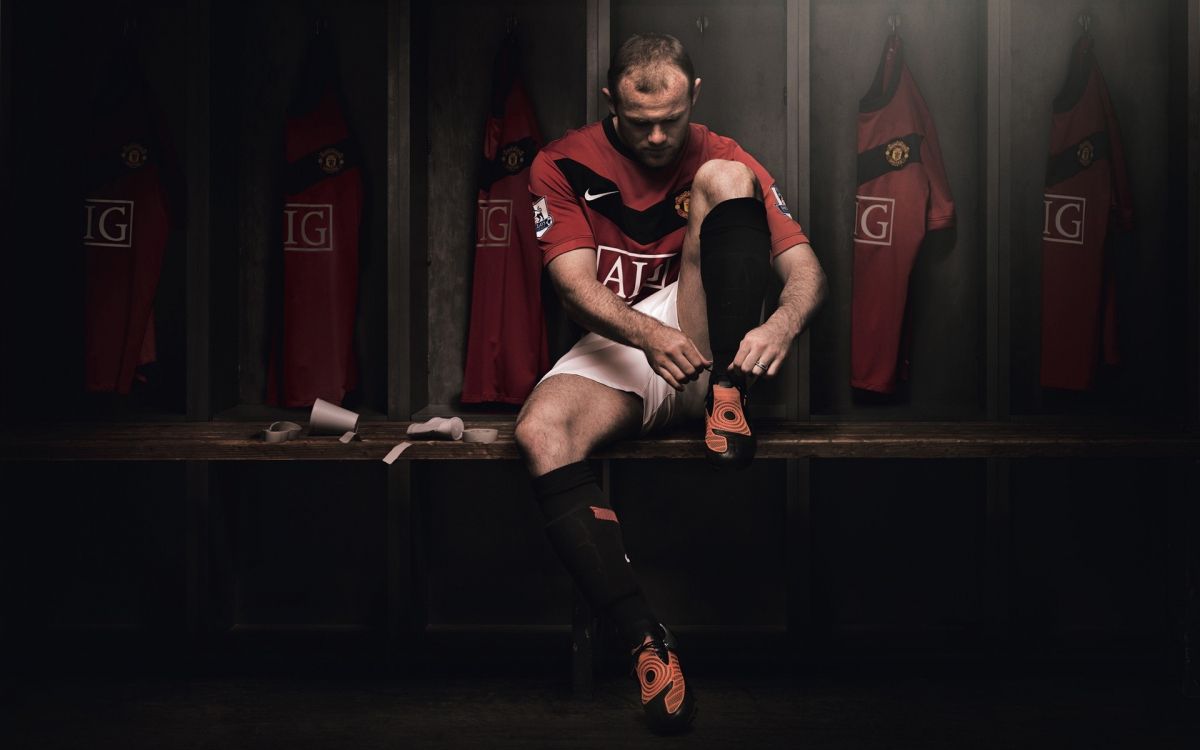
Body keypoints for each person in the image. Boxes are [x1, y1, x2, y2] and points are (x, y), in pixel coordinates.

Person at [514, 33, 827, 734]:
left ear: (695, 96)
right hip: (629, 339)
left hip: (710, 337)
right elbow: (572, 287)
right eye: (639, 120)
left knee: (724, 179)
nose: (658, 137)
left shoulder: (720, 151)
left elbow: (806, 270)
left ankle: (730, 399)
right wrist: (651, 338)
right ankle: (645, 642)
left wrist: (779, 326)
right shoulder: (561, 162)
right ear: (610, 104)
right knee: (540, 432)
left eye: (672, 119)